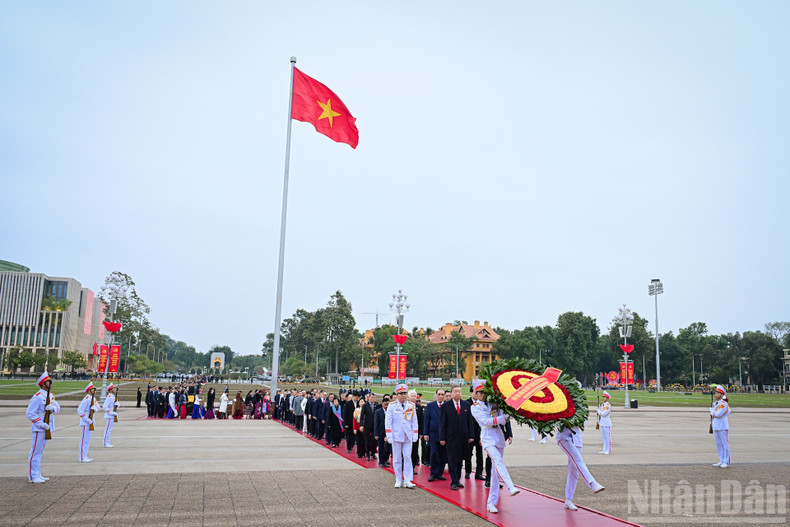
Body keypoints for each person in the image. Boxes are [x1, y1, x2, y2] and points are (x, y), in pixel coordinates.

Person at [469, 380, 520, 513]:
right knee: (497, 460)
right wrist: (502, 418)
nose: (483, 394)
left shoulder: (494, 403)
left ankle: (491, 502)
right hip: (487, 436)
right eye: (480, 392)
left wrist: (510, 410)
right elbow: (485, 421)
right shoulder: (475, 407)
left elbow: (505, 413)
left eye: (485, 392)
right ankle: (510, 486)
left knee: (495, 472)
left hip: (498, 435)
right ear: (476, 394)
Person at [556, 423, 605, 510]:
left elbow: (583, 422)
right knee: (578, 460)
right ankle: (593, 484)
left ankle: (568, 500)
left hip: (577, 439)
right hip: (564, 437)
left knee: (574, 470)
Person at [26, 371, 60, 483]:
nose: (51, 383)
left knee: (40, 452)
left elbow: (58, 408)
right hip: (39, 427)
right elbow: (30, 413)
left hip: (48, 425)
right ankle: (33, 476)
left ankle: (38, 474)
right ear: (43, 384)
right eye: (49, 382)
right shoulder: (38, 397)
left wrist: (53, 408)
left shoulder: (50, 395)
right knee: (35, 452)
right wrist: (41, 424)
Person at [440, 385, 474, 491]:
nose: (458, 393)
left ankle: (458, 479)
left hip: (463, 438)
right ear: (451, 393)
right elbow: (442, 423)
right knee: (452, 460)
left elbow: (470, 422)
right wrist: (442, 438)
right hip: (451, 438)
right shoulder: (446, 406)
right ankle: (454, 481)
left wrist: (471, 435)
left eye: (459, 391)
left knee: (460, 460)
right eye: (455, 391)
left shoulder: (466, 405)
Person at [385, 384, 419, 488]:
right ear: (397, 394)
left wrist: (415, 433)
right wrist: (389, 435)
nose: (403, 395)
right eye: (401, 393)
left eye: (405, 393)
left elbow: (414, 421)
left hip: (408, 435)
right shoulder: (392, 406)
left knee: (408, 457)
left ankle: (408, 480)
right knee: (397, 458)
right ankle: (398, 479)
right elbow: (388, 422)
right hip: (396, 435)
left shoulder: (411, 405)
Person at [424, 389, 447, 482]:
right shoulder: (430, 406)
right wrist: (426, 433)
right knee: (434, 454)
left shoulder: (447, 406)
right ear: (436, 395)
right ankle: (433, 473)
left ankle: (440, 473)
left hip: (444, 436)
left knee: (443, 455)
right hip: (433, 434)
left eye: (442, 394)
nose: (441, 396)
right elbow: (426, 420)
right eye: (439, 394)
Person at [464, 386, 485, 481]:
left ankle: (479, 473)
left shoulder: (483, 404)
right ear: (471, 393)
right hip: (469, 434)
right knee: (468, 454)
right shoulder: (466, 403)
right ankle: (467, 472)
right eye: (475, 392)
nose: (477, 394)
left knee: (479, 455)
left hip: (480, 434)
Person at [77, 382, 100, 462]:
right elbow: (80, 411)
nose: (95, 391)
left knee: (87, 440)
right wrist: (86, 419)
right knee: (84, 440)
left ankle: (85, 455)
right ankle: (82, 457)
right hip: (85, 421)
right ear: (89, 390)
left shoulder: (93, 398)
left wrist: (95, 409)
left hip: (91, 420)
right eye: (93, 389)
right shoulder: (86, 399)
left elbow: (98, 406)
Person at [711, 385, 731, 468]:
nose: (715, 394)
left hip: (722, 426)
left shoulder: (723, 404)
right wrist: (713, 412)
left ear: (722, 395)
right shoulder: (716, 404)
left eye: (717, 393)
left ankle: (726, 461)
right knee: (719, 444)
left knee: (724, 444)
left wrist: (712, 412)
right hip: (716, 425)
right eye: (715, 393)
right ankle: (721, 459)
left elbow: (718, 414)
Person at [374, 396, 391, 468]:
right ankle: (381, 461)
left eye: (388, 404)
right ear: (382, 404)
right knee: (381, 448)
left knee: (388, 448)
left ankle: (385, 460)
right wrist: (376, 434)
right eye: (385, 404)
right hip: (381, 432)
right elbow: (376, 423)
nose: (386, 406)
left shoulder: (390, 412)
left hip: (388, 433)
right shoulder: (378, 412)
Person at [358, 393, 375, 461]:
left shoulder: (376, 405)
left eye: (374, 397)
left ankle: (373, 453)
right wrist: (361, 425)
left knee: (374, 440)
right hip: (367, 425)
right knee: (367, 440)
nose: (373, 399)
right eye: (372, 397)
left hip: (374, 425)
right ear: (369, 398)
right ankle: (367, 454)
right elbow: (362, 416)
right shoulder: (365, 405)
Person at [102, 383, 119, 448]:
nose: (115, 389)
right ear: (111, 390)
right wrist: (111, 413)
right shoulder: (109, 397)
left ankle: (108, 442)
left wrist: (117, 404)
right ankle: (105, 443)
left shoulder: (113, 396)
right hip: (109, 416)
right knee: (107, 430)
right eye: (113, 388)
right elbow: (105, 407)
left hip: (112, 415)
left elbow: (114, 405)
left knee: (109, 430)